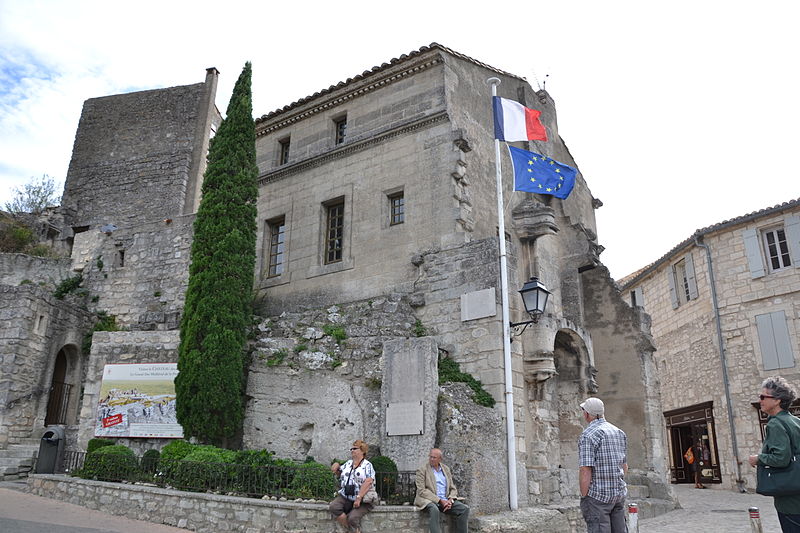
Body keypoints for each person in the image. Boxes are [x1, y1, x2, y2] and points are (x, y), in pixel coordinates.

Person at [748, 376, 800, 532]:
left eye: (763, 396)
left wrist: (758, 459)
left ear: (777, 400)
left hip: (790, 500)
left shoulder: (776, 423)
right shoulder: (795, 421)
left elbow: (781, 458)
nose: (760, 400)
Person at [578, 397, 628, 533]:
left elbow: (585, 470)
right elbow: (624, 466)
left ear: (587, 414)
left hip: (598, 496)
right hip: (618, 494)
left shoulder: (588, 435)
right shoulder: (619, 432)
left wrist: (584, 496)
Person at [414, 448, 469, 533]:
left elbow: (452, 488)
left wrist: (450, 500)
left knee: (464, 509)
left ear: (440, 459)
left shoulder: (446, 469)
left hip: (446, 500)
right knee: (434, 509)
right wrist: (440, 501)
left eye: (434, 457)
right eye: (430, 457)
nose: (431, 459)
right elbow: (422, 491)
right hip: (430, 500)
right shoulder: (422, 470)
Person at [329, 439, 375, 533]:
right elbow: (339, 472)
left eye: (355, 448)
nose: (352, 450)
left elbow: (368, 481)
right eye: (351, 448)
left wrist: (359, 497)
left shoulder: (367, 465)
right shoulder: (349, 463)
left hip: (363, 499)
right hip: (346, 495)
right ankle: (352, 530)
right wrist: (336, 466)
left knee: (352, 518)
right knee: (334, 507)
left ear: (362, 451)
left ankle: (356, 530)